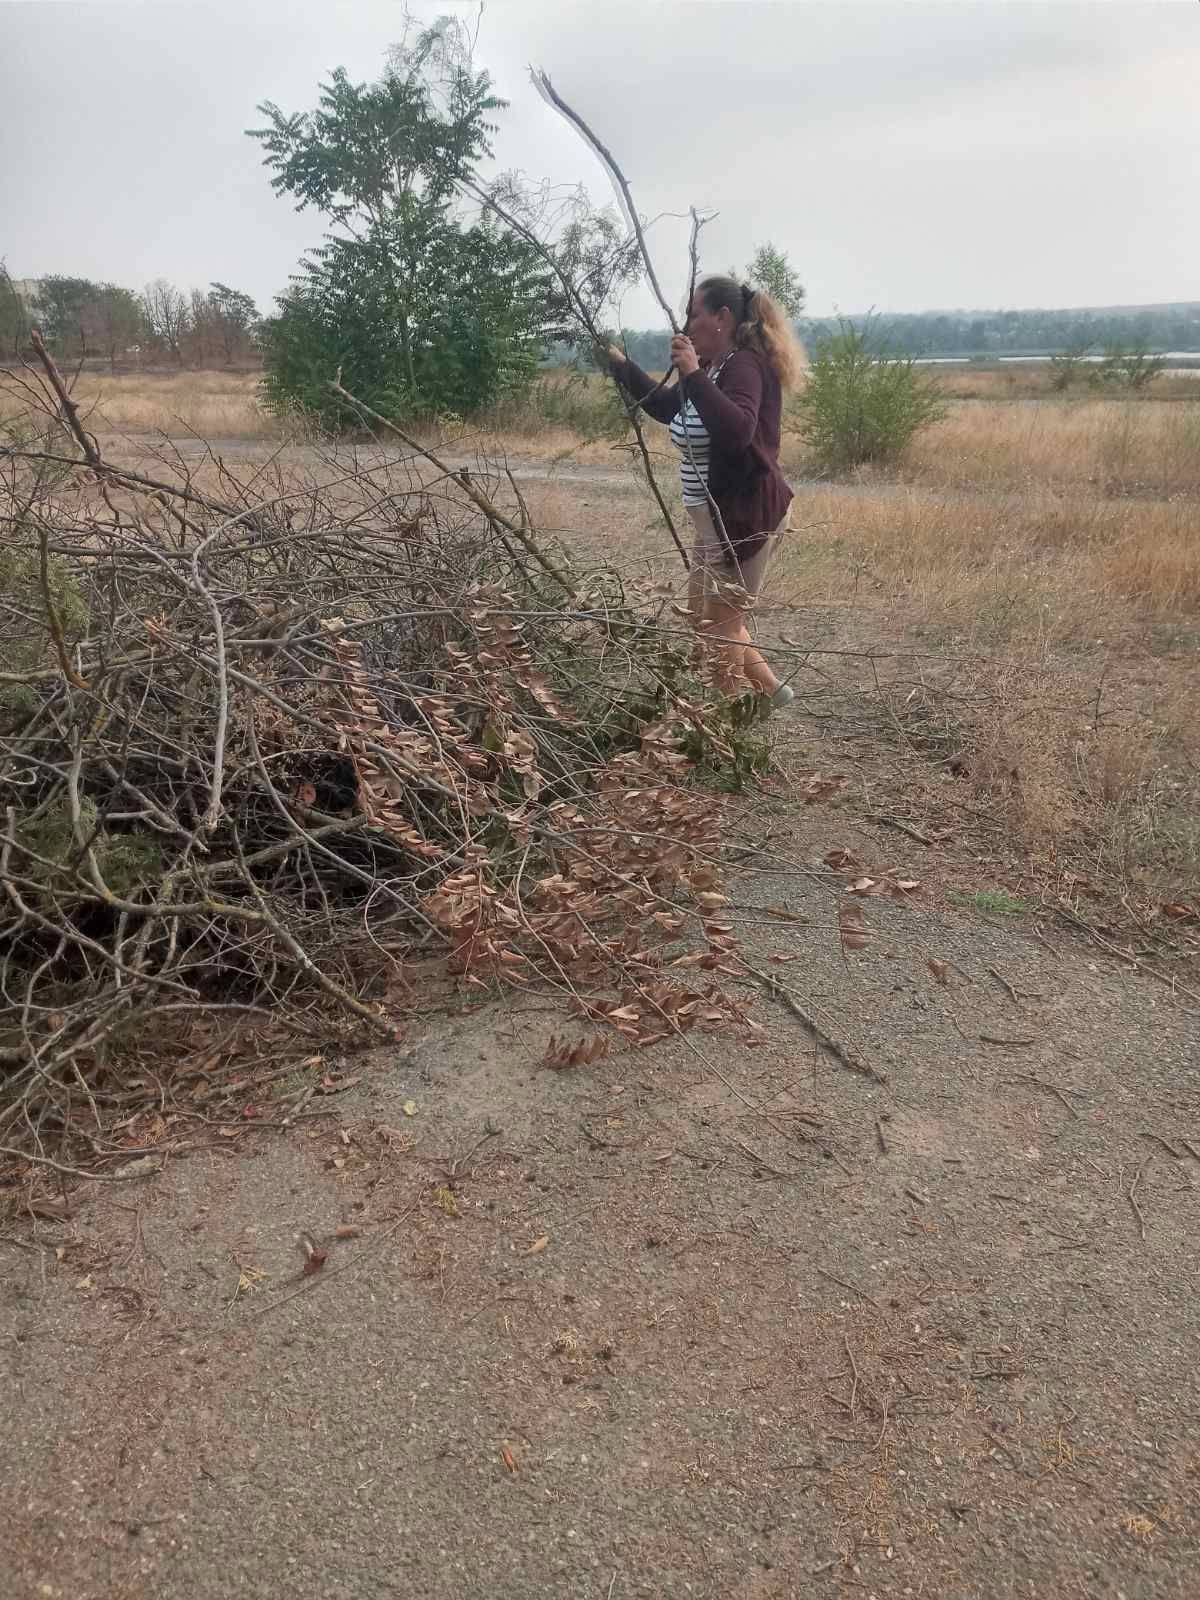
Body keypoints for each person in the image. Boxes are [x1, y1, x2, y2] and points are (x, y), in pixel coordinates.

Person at [606, 276, 804, 705]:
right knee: (705, 617)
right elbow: (665, 407)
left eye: (695, 314)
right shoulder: (716, 368)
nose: (688, 323)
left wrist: (694, 373)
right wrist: (621, 366)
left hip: (746, 518)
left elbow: (737, 431)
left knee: (719, 628)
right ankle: (773, 693)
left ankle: (724, 727)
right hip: (714, 520)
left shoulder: (744, 366)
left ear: (722, 318)